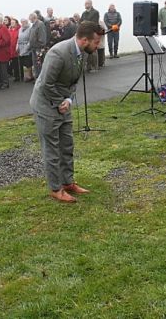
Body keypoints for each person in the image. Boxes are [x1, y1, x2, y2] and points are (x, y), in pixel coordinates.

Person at [30, 21, 103, 203]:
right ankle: (56, 189)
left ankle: (68, 182)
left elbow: (73, 81)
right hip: (46, 105)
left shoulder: (83, 53)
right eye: (96, 42)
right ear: (84, 40)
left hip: (63, 103)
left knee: (67, 145)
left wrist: (69, 99)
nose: (98, 46)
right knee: (52, 149)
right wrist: (59, 102)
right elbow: (46, 83)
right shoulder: (58, 53)